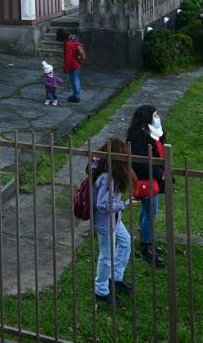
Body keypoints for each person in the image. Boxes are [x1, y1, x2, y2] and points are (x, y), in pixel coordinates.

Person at [91, 138, 134, 306]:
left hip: (114, 219)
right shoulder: (108, 178)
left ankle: (115, 277)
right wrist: (124, 204)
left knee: (125, 242)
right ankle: (101, 289)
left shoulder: (110, 173)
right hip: (105, 221)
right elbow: (101, 205)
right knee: (106, 256)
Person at [126, 104, 167, 268]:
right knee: (151, 213)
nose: (157, 117)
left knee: (146, 211)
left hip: (152, 178)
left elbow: (159, 147)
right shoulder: (137, 136)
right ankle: (146, 245)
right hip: (146, 179)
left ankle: (146, 239)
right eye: (155, 114)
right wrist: (158, 172)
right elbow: (140, 161)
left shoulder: (150, 132)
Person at [63, 33, 87, 103]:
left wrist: (65, 68)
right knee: (77, 80)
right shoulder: (75, 41)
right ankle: (77, 94)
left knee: (74, 80)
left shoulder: (68, 43)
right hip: (78, 63)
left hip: (73, 65)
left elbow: (68, 57)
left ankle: (76, 97)